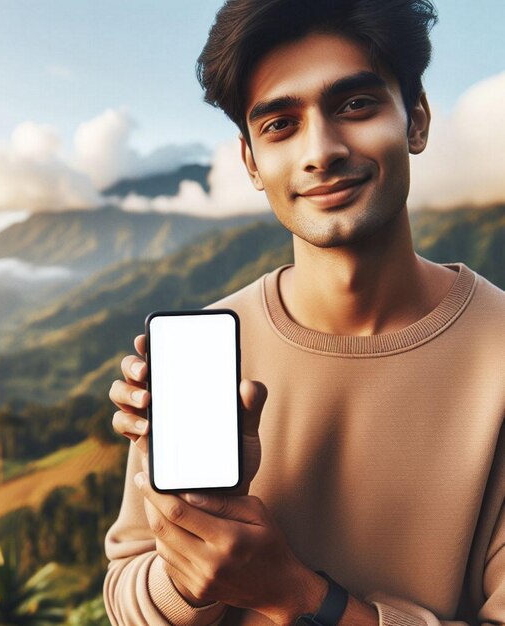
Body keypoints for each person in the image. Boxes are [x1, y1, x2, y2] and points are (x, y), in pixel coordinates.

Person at [104, 0, 505, 624]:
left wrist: (298, 598)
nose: (320, 151)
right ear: (251, 164)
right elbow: (127, 592)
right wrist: (195, 549)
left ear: (417, 121)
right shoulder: (203, 359)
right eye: (280, 125)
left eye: (355, 105)